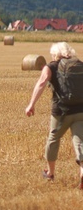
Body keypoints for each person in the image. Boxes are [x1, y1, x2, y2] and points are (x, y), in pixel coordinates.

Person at [25, 42, 83, 188]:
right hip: (80, 111)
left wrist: (31, 104)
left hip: (61, 113)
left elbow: (41, 83)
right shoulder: (79, 65)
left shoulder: (51, 66)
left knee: (53, 139)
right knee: (80, 142)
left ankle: (50, 173)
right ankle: (82, 170)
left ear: (55, 54)